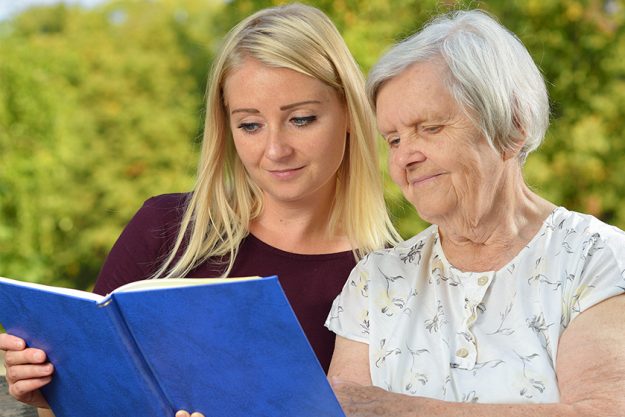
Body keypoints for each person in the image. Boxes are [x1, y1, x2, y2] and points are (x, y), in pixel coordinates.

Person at [0, 3, 399, 416]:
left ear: (351, 114)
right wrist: (48, 389)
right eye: (250, 125)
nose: (276, 150)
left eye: (301, 119)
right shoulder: (166, 230)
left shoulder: (391, 276)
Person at [325, 9, 625, 417]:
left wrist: (395, 409)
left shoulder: (597, 260)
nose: (405, 157)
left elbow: (603, 410)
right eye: (393, 139)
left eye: (429, 128)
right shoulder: (375, 281)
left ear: (513, 126)